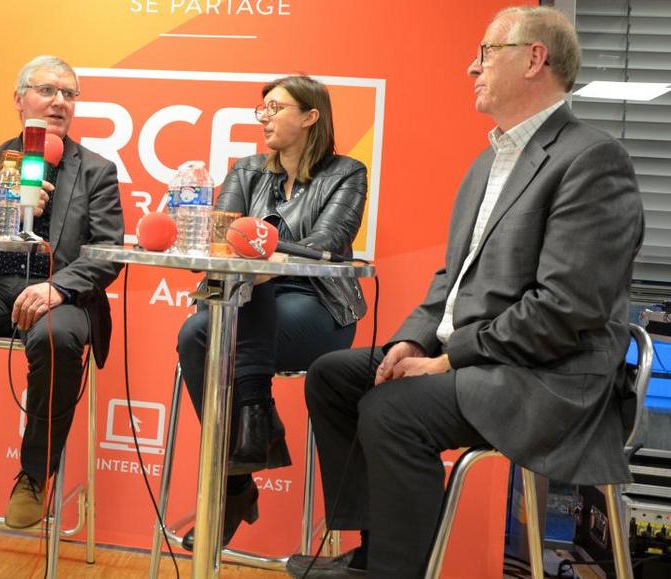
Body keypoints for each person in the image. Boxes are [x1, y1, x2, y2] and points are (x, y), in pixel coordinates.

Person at [286, 6, 644, 578]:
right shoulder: (488, 162)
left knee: (392, 410)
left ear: (534, 59)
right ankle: (375, 551)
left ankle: (394, 572)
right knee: (335, 376)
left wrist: (449, 358)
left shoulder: (592, 159)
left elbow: (566, 308)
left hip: (548, 377)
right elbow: (449, 283)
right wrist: (410, 342)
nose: (469, 67)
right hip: (483, 361)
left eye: (484, 53)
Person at [0, 56, 124, 529]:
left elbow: (109, 252)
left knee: (57, 341)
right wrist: (5, 207)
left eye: (69, 93)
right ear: (19, 100)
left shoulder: (96, 170)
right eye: (47, 90)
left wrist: (59, 288)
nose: (59, 101)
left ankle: (35, 476)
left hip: (64, 292)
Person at [176, 75, 368, 550]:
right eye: (260, 109)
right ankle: (238, 483)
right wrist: (254, 252)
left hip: (318, 306)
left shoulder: (346, 172)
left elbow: (324, 246)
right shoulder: (246, 170)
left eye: (275, 108)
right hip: (249, 301)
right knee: (195, 333)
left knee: (237, 315)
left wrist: (261, 247)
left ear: (310, 117)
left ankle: (256, 429)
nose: (263, 117)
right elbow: (224, 239)